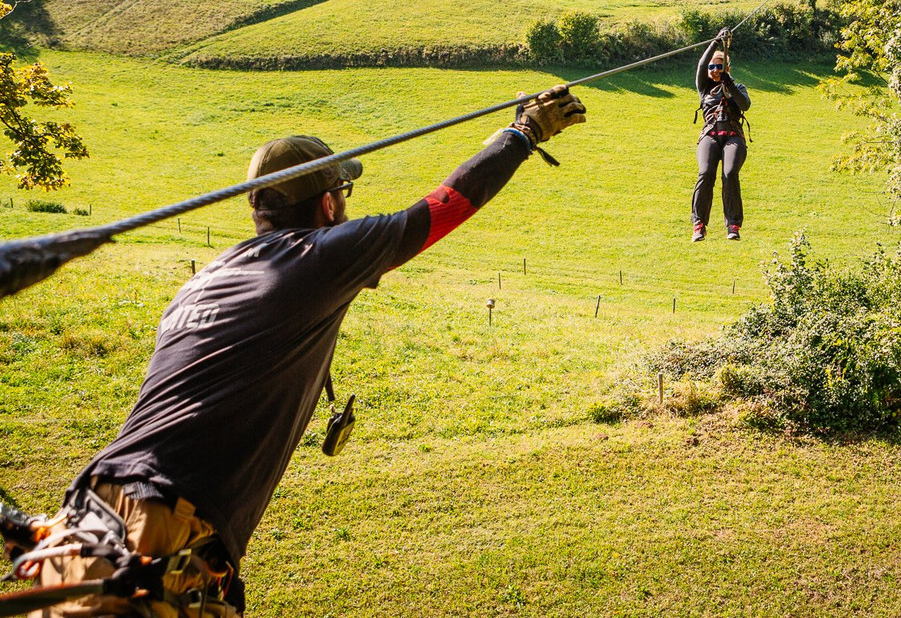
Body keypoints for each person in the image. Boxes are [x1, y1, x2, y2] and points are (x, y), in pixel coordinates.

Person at [29, 86, 586, 617]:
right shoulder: (315, 259)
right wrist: (524, 131)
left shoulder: (208, 277)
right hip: (163, 523)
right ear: (327, 203)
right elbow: (443, 207)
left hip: (89, 510)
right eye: (344, 195)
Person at [691, 31, 751, 242]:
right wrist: (716, 40)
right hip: (710, 135)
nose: (714, 70)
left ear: (726, 68)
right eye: (712, 67)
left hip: (733, 135)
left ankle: (733, 225)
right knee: (706, 172)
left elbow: (745, 105)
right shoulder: (704, 88)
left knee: (730, 173)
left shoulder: (738, 88)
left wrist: (730, 84)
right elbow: (700, 64)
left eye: (719, 67)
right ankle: (699, 224)